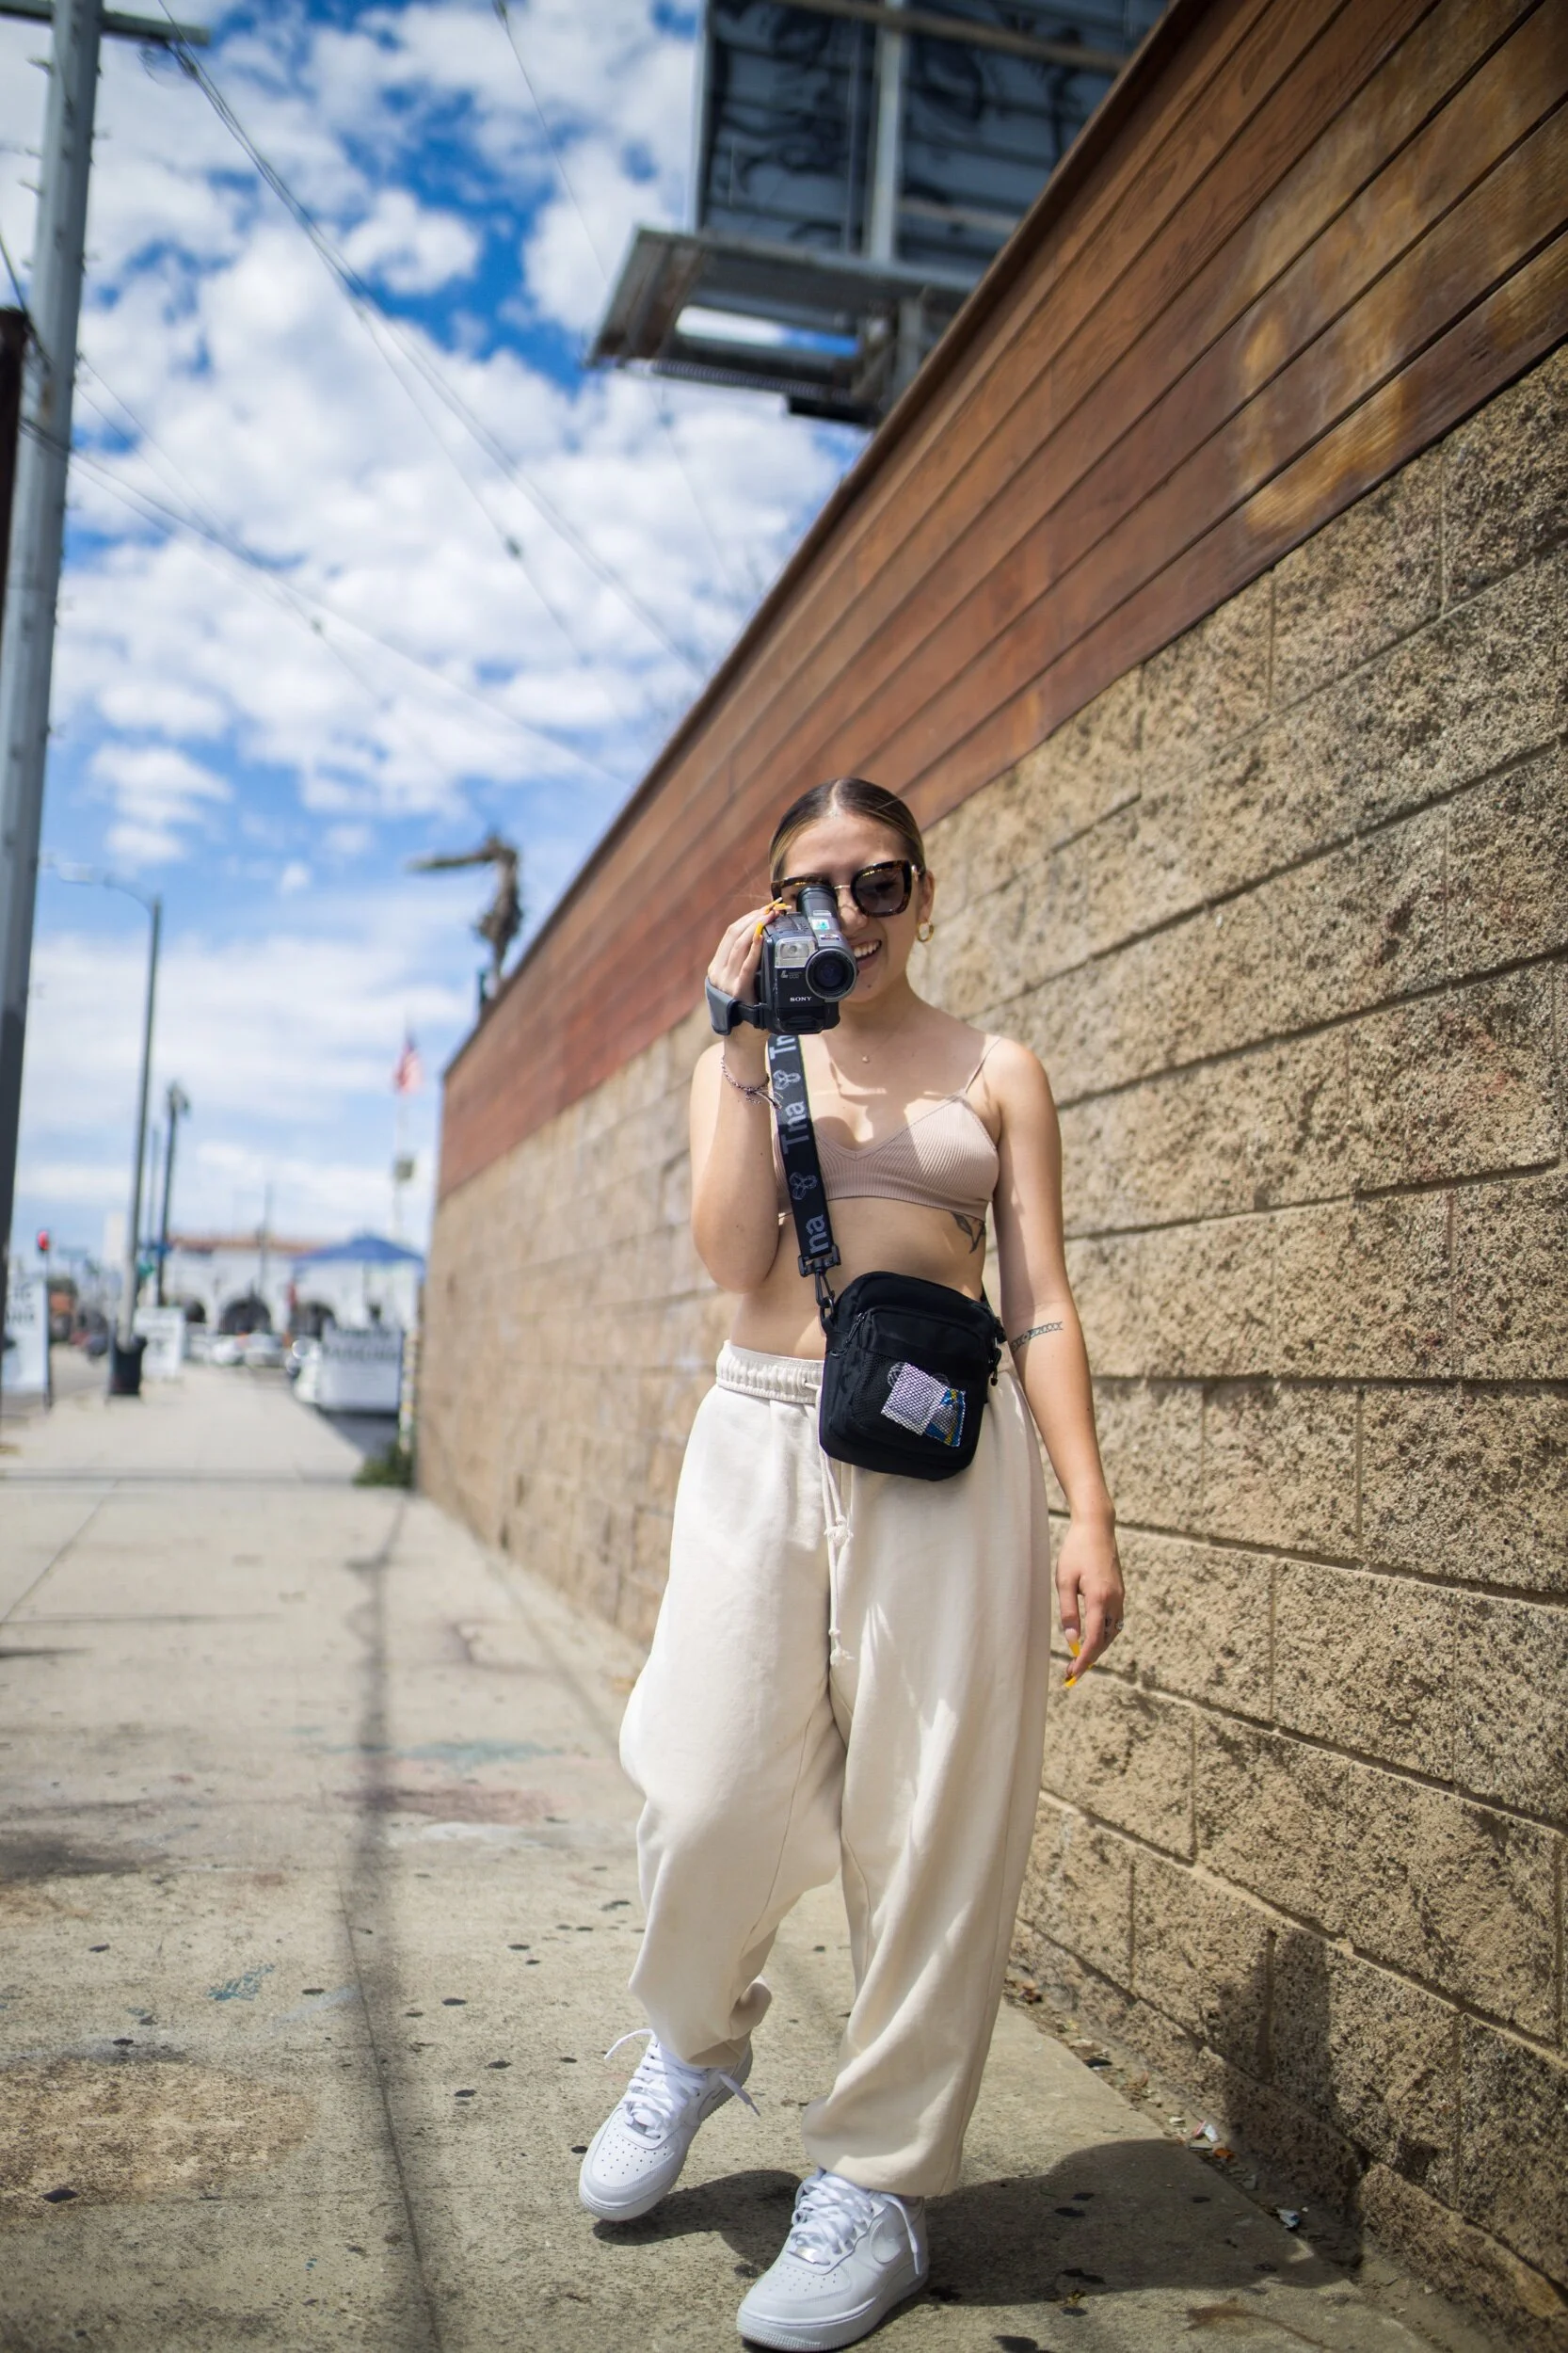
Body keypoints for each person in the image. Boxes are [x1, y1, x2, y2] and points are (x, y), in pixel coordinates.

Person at [580, 776, 1124, 2349]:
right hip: (762, 1435)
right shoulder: (742, 1058)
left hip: (946, 1461)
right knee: (701, 1788)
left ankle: (878, 2179)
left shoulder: (997, 1070)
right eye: (814, 892)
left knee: (932, 1817)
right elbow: (728, 1256)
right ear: (769, 909)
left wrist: (1088, 1510)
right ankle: (690, 2045)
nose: (852, 919)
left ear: (924, 893)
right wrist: (746, 1040)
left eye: (879, 884)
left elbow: (1044, 1307)